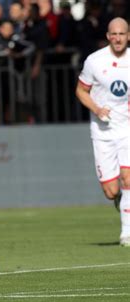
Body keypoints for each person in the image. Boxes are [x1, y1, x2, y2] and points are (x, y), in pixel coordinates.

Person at [75, 17, 130, 247]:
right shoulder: (95, 61)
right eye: (113, 34)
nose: (118, 38)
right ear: (108, 36)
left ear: (128, 36)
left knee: (128, 178)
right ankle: (119, 199)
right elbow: (80, 91)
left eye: (122, 34)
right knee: (111, 190)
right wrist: (97, 109)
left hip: (126, 129)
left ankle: (126, 232)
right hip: (102, 131)